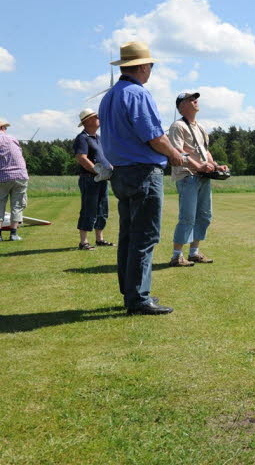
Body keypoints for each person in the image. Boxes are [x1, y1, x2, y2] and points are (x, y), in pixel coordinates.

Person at [99, 42, 185, 315]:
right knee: (145, 236)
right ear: (141, 66)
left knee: (128, 235)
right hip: (143, 172)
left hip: (120, 172)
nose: (151, 70)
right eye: (151, 65)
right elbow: (154, 136)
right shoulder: (138, 94)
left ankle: (131, 291)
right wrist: (174, 153)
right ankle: (138, 298)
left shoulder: (110, 96)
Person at [167, 92, 229, 267]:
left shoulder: (200, 127)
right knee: (187, 217)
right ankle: (176, 256)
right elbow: (177, 152)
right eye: (190, 99)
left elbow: (205, 152)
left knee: (205, 216)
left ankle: (194, 252)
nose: (196, 101)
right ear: (181, 106)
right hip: (187, 176)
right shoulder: (177, 126)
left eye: (195, 98)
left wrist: (215, 165)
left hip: (202, 177)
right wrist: (198, 166)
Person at [73, 108, 114, 251]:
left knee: (103, 209)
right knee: (89, 209)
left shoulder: (98, 138)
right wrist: (98, 171)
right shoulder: (82, 138)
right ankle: (83, 242)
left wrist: (109, 169)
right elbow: (81, 157)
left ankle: (99, 239)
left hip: (101, 179)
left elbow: (104, 157)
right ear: (87, 121)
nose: (99, 118)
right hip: (89, 178)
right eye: (96, 117)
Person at [0, 119, 29, 242]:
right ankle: (13, 234)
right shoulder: (13, 139)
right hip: (20, 175)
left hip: (3, 176)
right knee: (17, 206)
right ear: (3, 128)